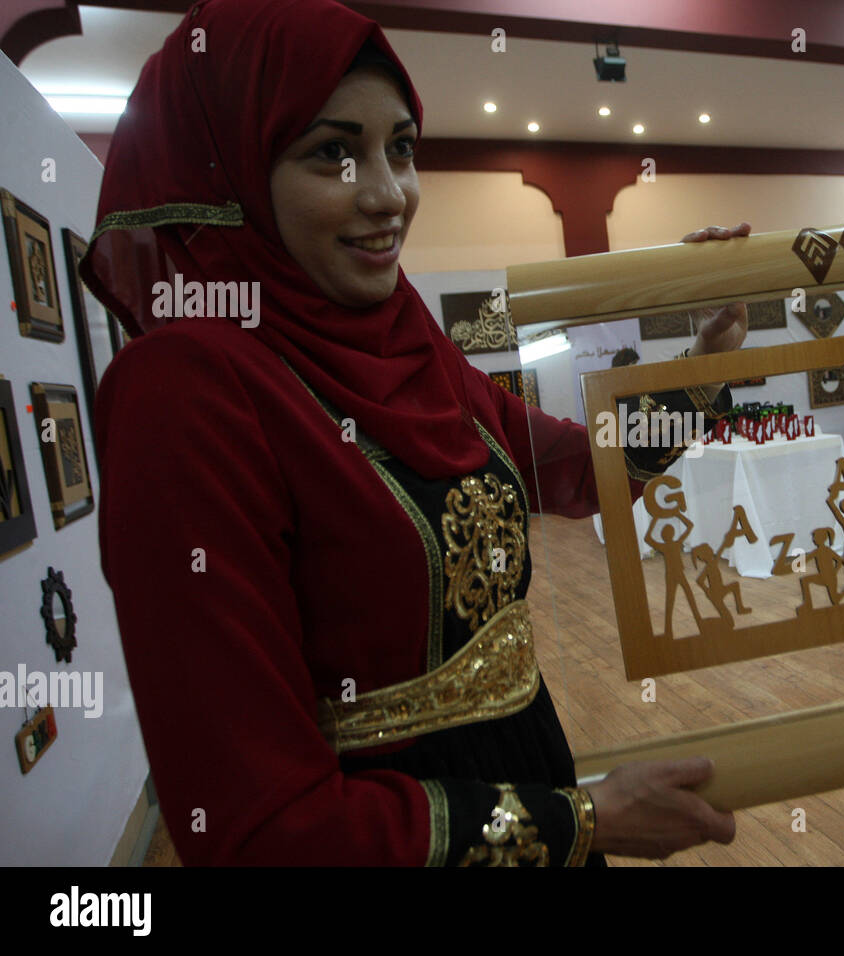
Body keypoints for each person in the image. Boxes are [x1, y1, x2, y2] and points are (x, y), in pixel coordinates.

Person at [81, 0, 751, 866]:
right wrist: (579, 822)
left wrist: (699, 361)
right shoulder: (185, 389)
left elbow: (571, 470)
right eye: (333, 151)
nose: (389, 194)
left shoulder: (409, 341)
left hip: (523, 781)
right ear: (232, 173)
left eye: (401, 147)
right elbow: (260, 826)